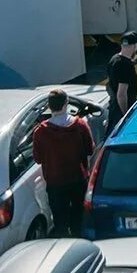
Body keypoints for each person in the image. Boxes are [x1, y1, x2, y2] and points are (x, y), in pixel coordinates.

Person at [29, 90, 95, 237]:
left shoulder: (40, 132)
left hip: (55, 183)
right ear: (66, 104)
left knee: (60, 222)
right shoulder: (80, 126)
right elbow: (90, 150)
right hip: (78, 179)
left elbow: (38, 158)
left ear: (49, 106)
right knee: (78, 216)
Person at [106, 32, 137, 131]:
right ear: (135, 45)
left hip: (113, 108)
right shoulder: (126, 66)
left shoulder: (114, 59)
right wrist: (126, 116)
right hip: (120, 111)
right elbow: (121, 94)